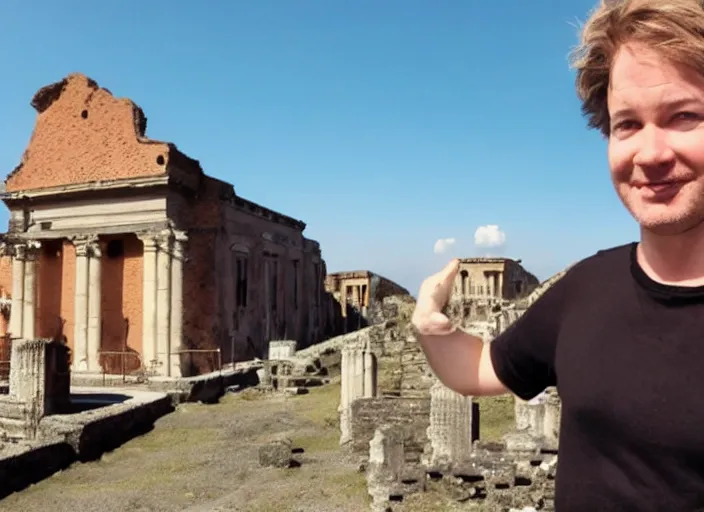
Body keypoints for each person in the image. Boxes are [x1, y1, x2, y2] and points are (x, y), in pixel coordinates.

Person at [412, 1, 704, 510]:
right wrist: (431, 327)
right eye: (627, 124)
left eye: (683, 116)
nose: (651, 153)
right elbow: (484, 367)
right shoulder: (587, 286)